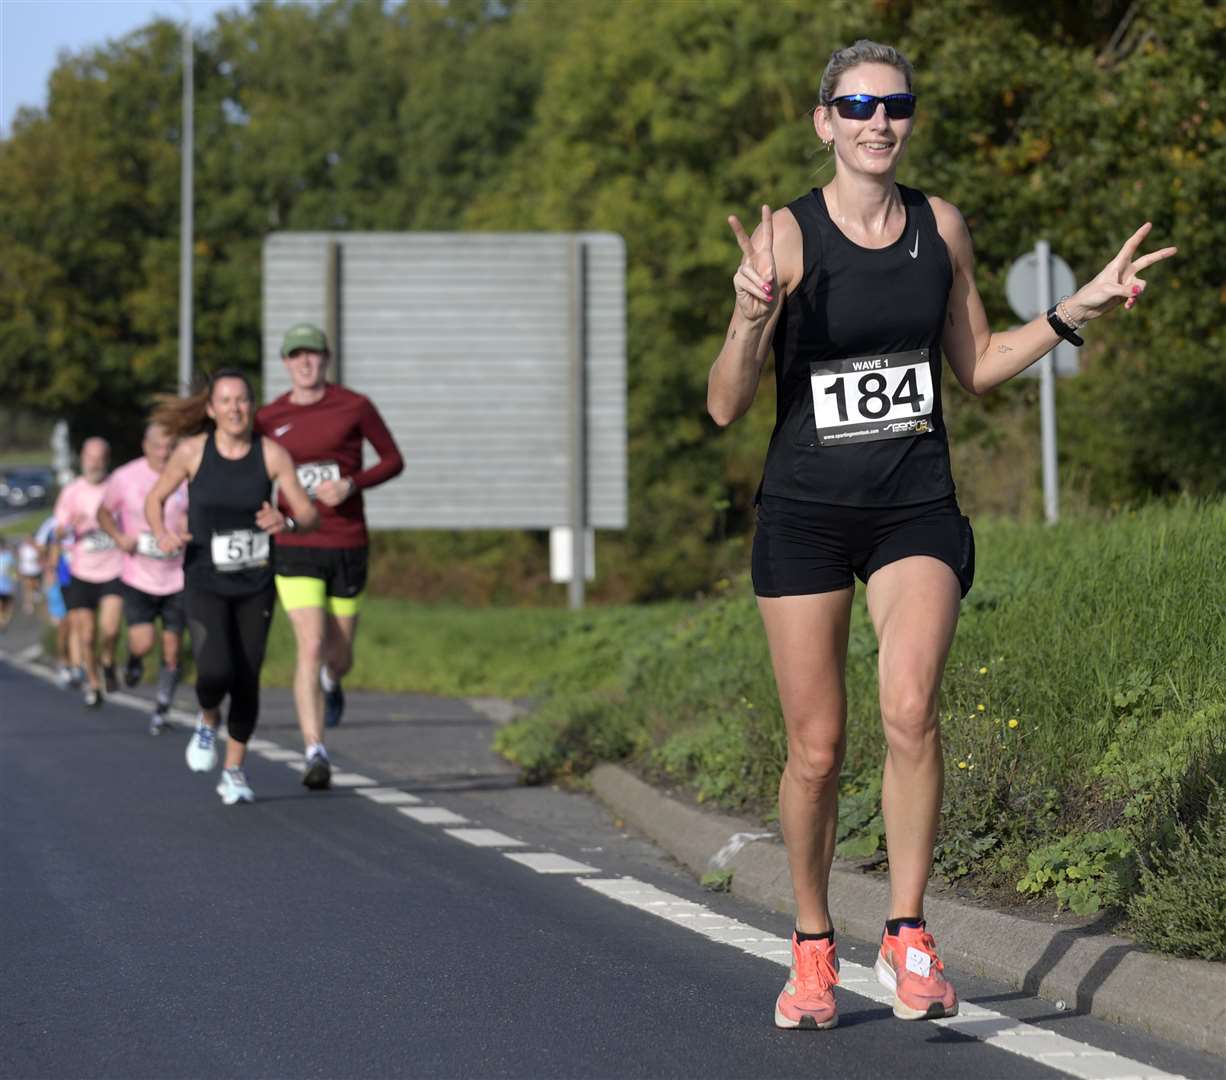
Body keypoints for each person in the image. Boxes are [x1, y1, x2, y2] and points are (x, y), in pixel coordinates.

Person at [707, 39, 1176, 1030]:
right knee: (815, 751)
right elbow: (720, 406)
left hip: (912, 505)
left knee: (911, 709)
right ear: (823, 120)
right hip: (802, 516)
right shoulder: (784, 241)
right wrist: (750, 318)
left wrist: (1070, 312)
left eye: (895, 105)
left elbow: (974, 363)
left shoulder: (940, 227)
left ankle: (908, 934)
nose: (879, 121)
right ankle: (808, 944)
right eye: (857, 104)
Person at [147, 369, 318, 805]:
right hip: (205, 578)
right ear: (211, 409)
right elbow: (155, 499)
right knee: (215, 670)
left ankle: (235, 771)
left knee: (247, 676)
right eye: (225, 401)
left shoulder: (272, 454)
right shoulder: (191, 452)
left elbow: (307, 512)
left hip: (256, 581)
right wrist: (163, 533)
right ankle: (207, 721)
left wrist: (288, 520)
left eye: (242, 400)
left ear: (252, 405)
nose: (235, 408)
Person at [254, 323, 404, 791]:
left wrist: (351, 483)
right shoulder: (268, 417)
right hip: (296, 545)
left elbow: (393, 459)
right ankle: (315, 750)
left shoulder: (353, 406)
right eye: (297, 355)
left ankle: (333, 682)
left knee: (339, 655)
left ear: (326, 360)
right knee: (310, 644)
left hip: (347, 542)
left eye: (314, 355)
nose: (306, 363)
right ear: (285, 363)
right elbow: (252, 474)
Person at [96, 422, 190, 734]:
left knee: (173, 647)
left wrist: (189, 531)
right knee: (144, 641)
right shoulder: (125, 476)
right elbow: (104, 513)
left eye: (169, 447)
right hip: (138, 574)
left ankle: (162, 708)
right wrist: (120, 537)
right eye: (158, 447)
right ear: (145, 446)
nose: (164, 453)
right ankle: (134, 658)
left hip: (178, 574)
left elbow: (198, 512)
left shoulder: (187, 473)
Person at [49, 438, 125, 707]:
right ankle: (93, 683)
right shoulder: (72, 491)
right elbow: (57, 530)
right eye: (90, 457)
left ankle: (107, 660)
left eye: (100, 457)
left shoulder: (117, 486)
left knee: (111, 629)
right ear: (82, 458)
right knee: (87, 634)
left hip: (114, 569)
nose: (95, 462)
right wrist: (67, 527)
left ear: (107, 459)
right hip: (82, 572)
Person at [35, 514, 73, 683]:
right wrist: (49, 568)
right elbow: (40, 547)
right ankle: (64, 661)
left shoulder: (85, 516)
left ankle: (76, 662)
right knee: (63, 625)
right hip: (59, 581)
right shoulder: (51, 523)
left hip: (81, 580)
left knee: (78, 624)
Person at [16, 534, 42, 616]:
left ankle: (36, 593)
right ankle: (28, 604)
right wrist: (19, 570)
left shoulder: (36, 546)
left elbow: (40, 556)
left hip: (36, 569)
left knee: (35, 585)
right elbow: (20, 559)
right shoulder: (23, 548)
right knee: (27, 587)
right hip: (26, 570)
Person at [0, 539, 14, 630]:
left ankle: (6, 618)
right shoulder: (9, 556)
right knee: (1, 605)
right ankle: (2, 620)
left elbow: (13, 571)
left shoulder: (9, 557)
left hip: (8, 586)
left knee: (7, 604)